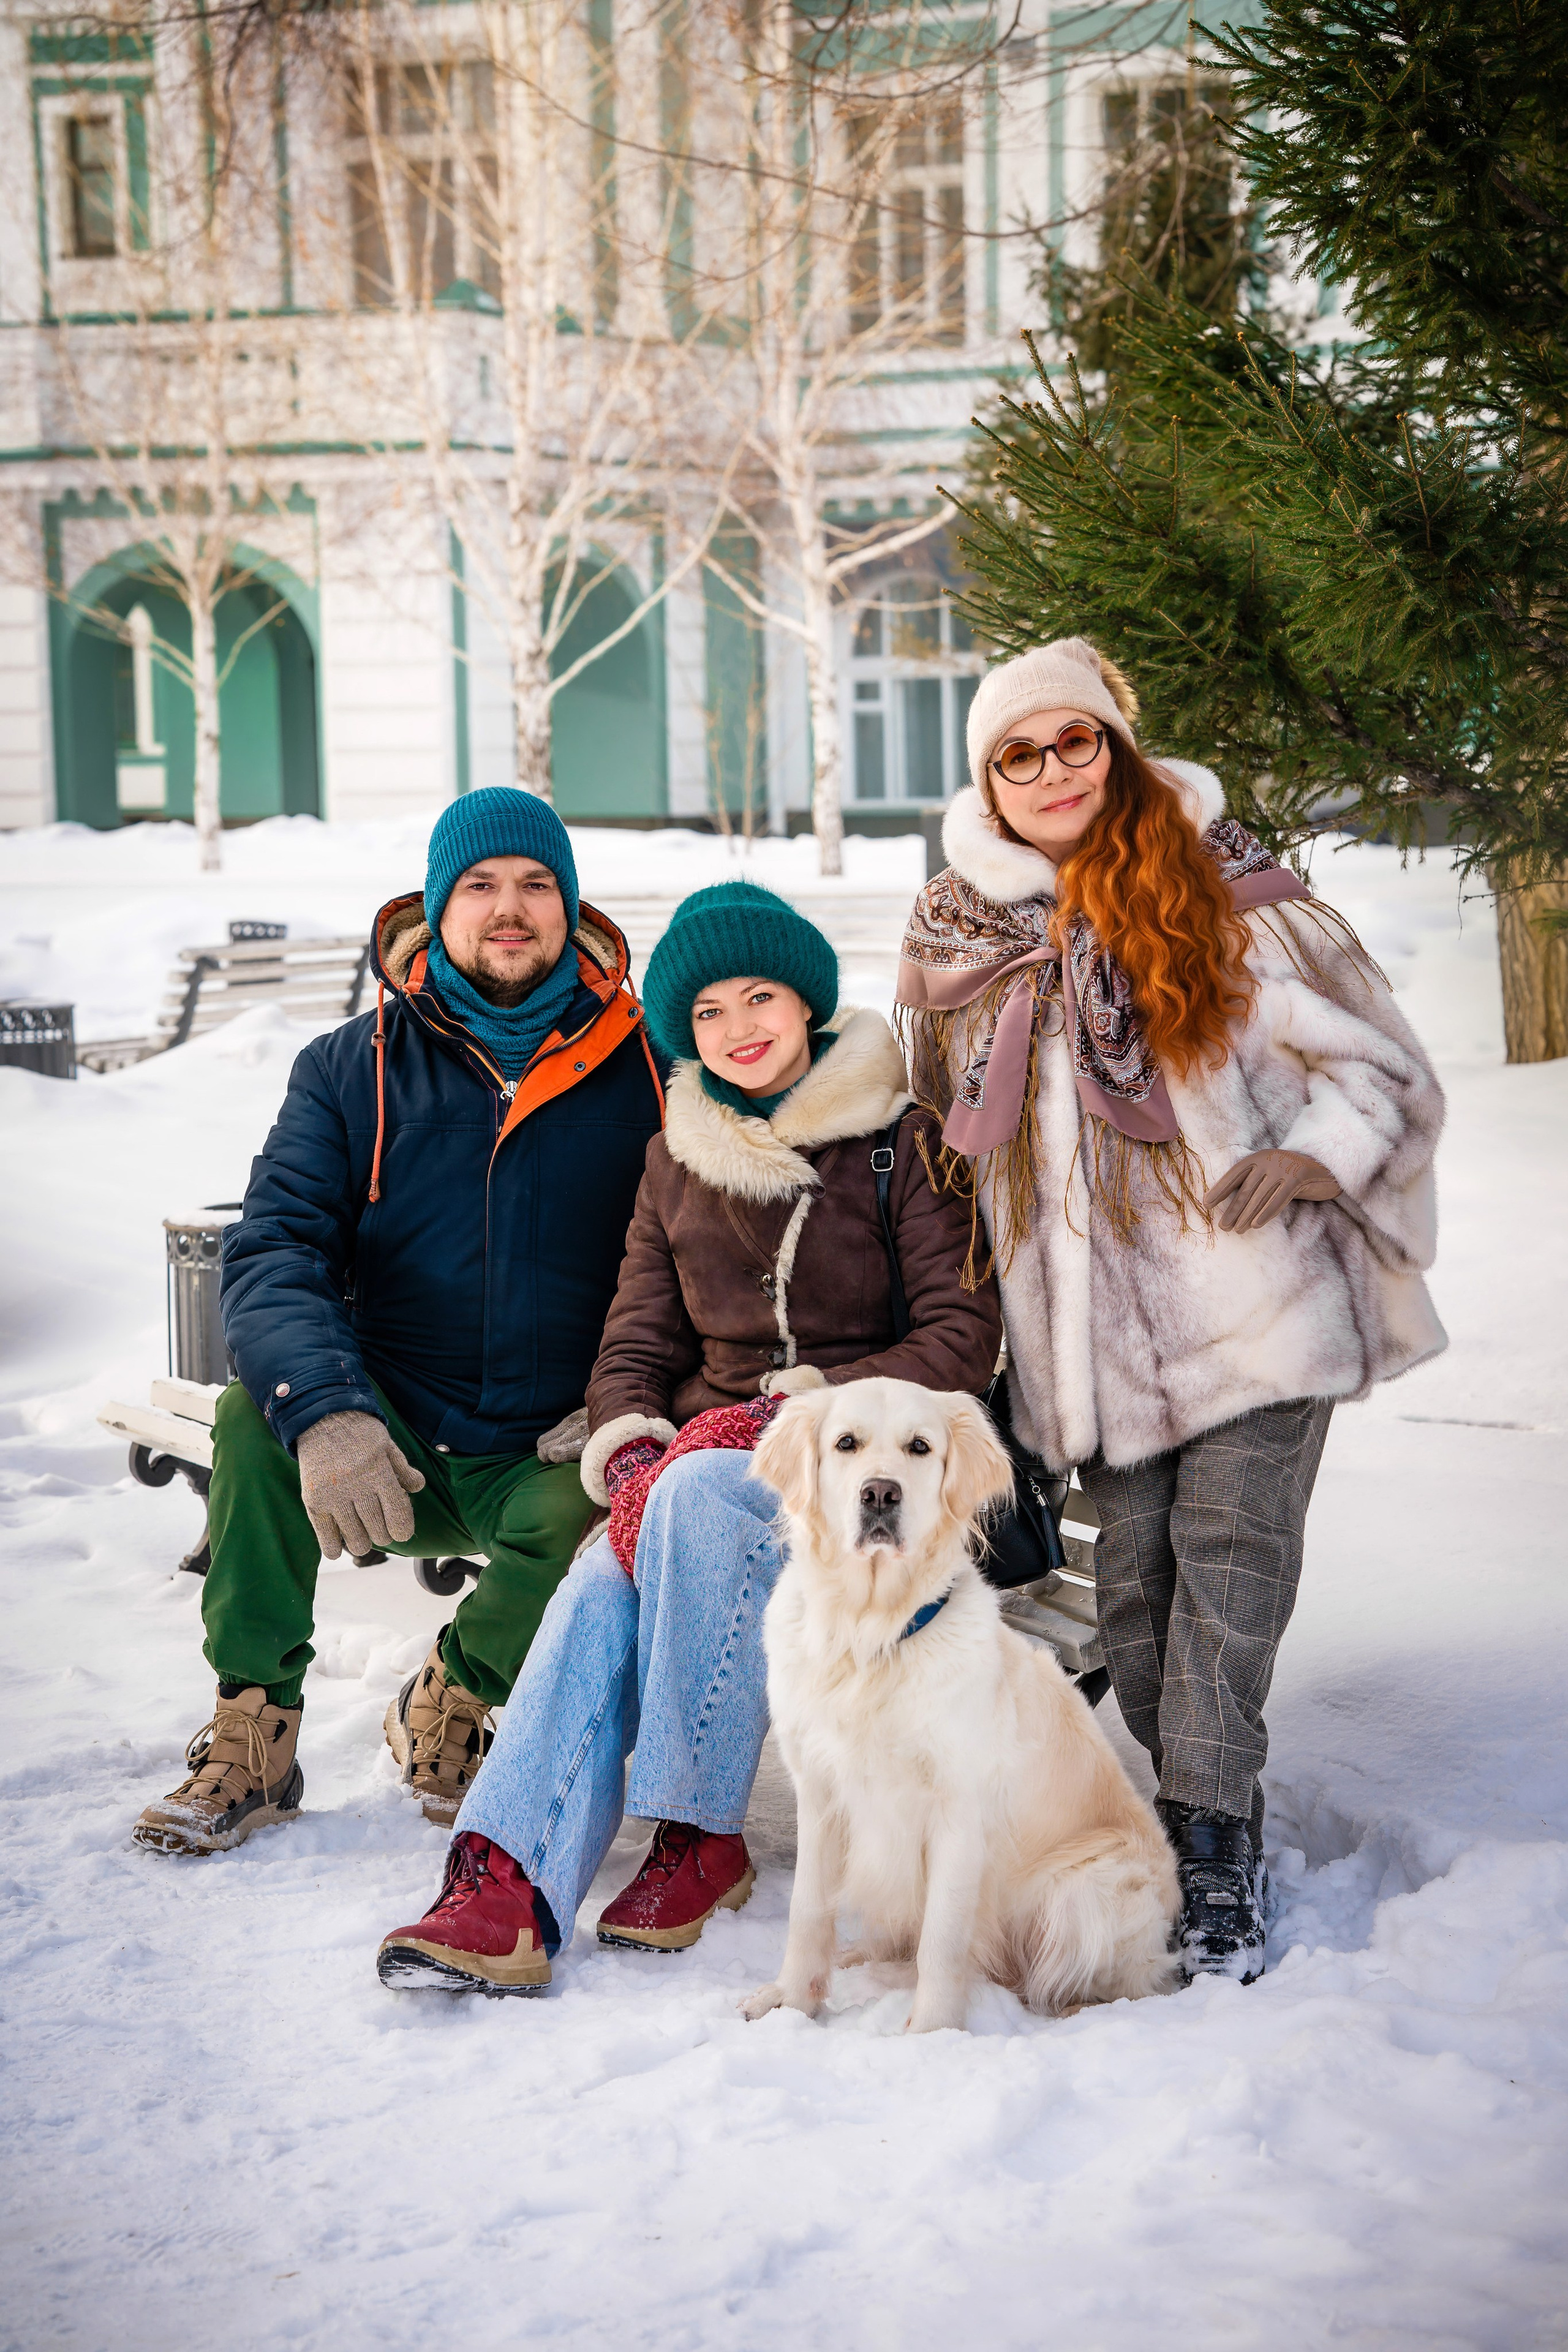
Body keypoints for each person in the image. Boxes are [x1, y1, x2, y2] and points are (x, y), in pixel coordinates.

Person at [897, 637, 1446, 1983]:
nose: (1049, 771)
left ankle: (1213, 1843)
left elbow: (1381, 1067)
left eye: (1072, 740)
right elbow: (924, 1144)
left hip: (1262, 1310)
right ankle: (1193, 1787)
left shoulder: (1232, 895)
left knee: (1231, 1569)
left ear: (1115, 747)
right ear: (988, 779)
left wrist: (1318, 1151)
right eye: (1015, 754)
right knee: (1132, 1602)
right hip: (1086, 1357)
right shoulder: (959, 941)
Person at [375, 880, 1003, 1992]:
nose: (738, 1028)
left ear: (807, 1004)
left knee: (697, 1494)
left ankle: (697, 1834)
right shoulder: (676, 1159)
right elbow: (636, 1335)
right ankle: (503, 1879)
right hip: (704, 1480)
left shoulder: (899, 1142)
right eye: (708, 1013)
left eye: (760, 997)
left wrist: (802, 1415)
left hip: (864, 1479)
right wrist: (627, 1436)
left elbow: (962, 1332)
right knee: (614, 1563)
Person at [134, 788, 664, 1855]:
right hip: (393, 1443)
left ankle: (453, 1694)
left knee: (612, 1503)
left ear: (571, 908)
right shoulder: (345, 1069)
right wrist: (328, 1413)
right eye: (480, 886)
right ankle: (256, 1727)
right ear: (437, 905)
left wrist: (625, 1402)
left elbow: (703, 1268)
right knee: (254, 1418)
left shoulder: (650, 1070)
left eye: (535, 885)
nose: (509, 909)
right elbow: (277, 1247)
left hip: (547, 1444)